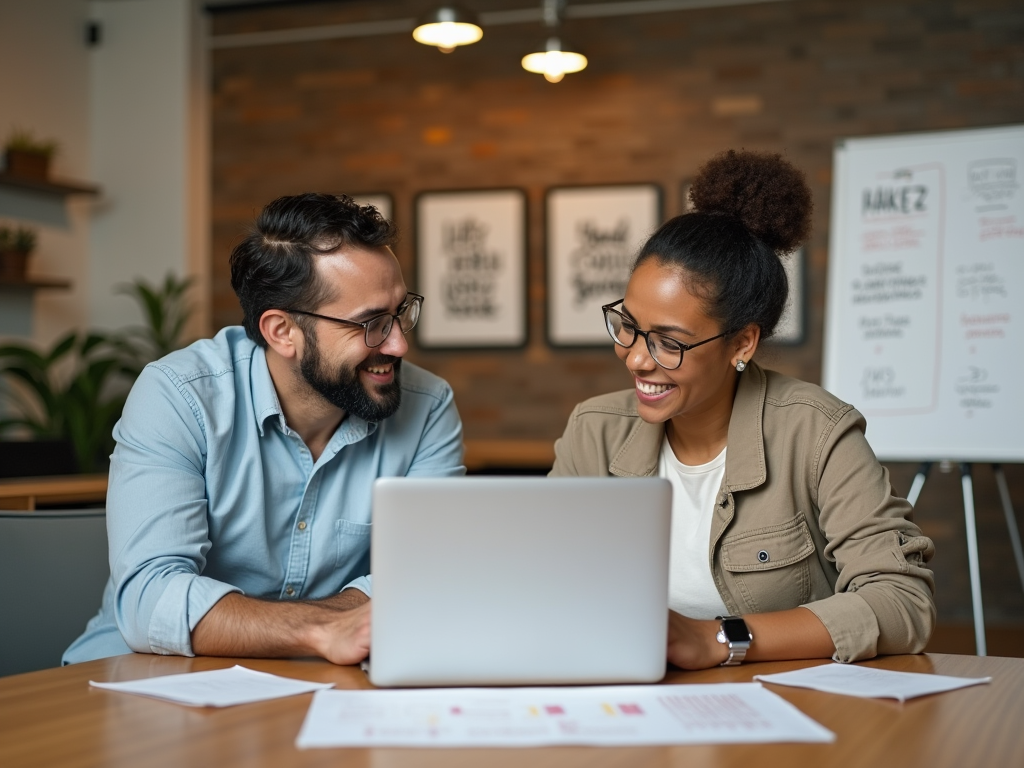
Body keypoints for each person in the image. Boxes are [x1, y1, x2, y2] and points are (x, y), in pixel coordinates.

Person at [550, 150, 935, 669]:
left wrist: (716, 640)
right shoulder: (593, 432)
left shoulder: (816, 432)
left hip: (784, 713)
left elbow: (903, 602)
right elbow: (546, 585)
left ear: (743, 344)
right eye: (628, 326)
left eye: (669, 342)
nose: (637, 358)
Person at [64, 193, 464, 666]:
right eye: (372, 323)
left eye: (400, 312)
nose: (398, 343)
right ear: (281, 331)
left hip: (321, 686)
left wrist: (317, 631)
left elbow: (431, 574)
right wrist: (322, 628)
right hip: (145, 679)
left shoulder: (427, 407)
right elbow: (151, 599)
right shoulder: (179, 396)